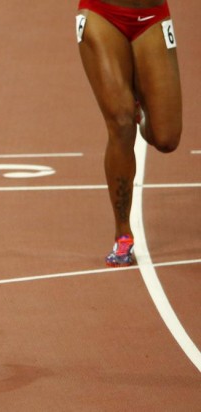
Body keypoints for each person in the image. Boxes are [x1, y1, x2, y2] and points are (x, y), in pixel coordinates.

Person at [75, 0, 182, 266]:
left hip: (152, 17)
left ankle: (139, 109)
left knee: (167, 139)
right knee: (121, 123)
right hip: (102, 14)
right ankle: (123, 234)